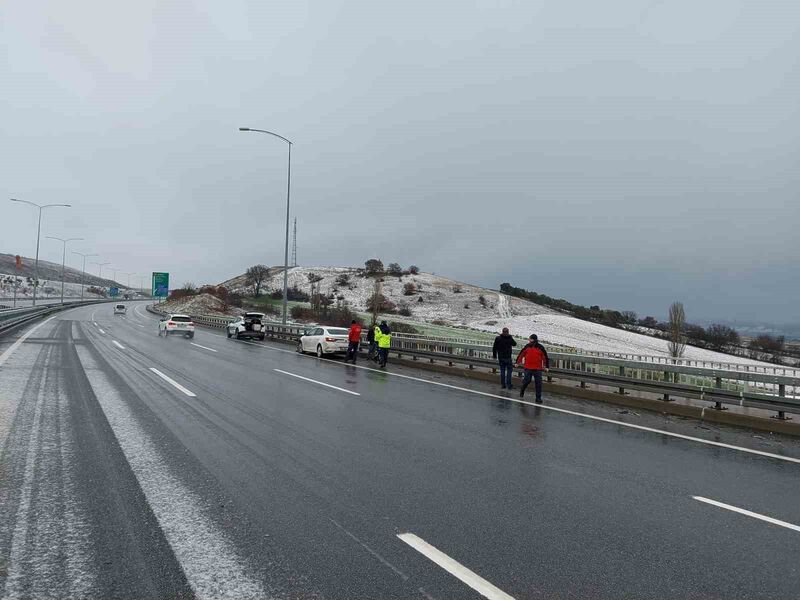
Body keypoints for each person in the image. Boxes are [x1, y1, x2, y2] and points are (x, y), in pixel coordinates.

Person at [515, 334, 549, 403]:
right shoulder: (527, 346)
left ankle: (538, 398)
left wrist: (546, 366)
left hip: (537, 369)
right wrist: (517, 362)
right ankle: (522, 389)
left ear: (532, 339)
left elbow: (545, 357)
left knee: (538, 384)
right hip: (528, 368)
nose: (529, 340)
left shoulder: (540, 347)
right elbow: (521, 354)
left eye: (530, 339)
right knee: (527, 381)